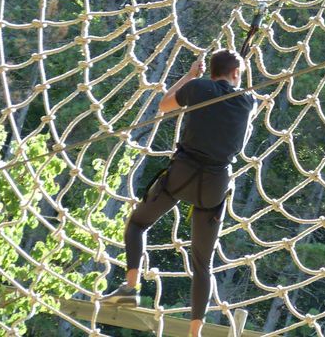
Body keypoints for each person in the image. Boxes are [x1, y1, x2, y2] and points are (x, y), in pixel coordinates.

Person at [101, 49, 257, 337]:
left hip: (182, 173)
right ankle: (194, 332)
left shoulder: (197, 87)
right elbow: (240, 137)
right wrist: (238, 77)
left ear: (210, 71)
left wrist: (189, 76)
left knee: (137, 225)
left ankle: (130, 287)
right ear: (236, 73)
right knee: (203, 265)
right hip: (214, 183)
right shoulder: (249, 100)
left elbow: (164, 105)